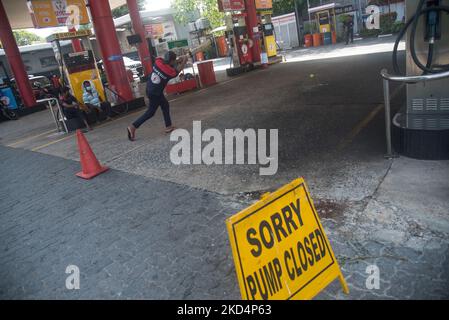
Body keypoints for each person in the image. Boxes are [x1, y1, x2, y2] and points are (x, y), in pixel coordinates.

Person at [127, 50, 188, 141]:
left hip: (150, 89)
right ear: (171, 61)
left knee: (165, 105)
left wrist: (179, 59)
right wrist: (184, 61)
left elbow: (169, 63)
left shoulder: (158, 62)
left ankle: (168, 126)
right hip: (155, 93)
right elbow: (176, 71)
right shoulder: (169, 71)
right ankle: (133, 126)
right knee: (151, 112)